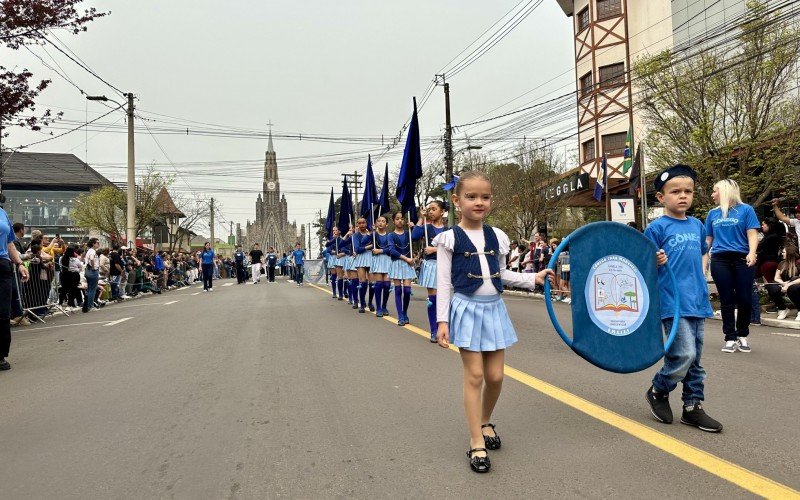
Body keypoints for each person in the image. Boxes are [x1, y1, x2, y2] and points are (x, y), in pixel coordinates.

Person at [433, 171, 553, 473]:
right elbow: (444, 281)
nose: (479, 202)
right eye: (471, 197)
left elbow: (502, 275)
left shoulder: (497, 236)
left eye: (484, 197)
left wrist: (532, 278)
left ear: (491, 201)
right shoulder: (448, 239)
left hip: (494, 309)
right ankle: (476, 441)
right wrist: (442, 320)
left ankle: (485, 421)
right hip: (466, 308)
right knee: (475, 376)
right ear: (456, 201)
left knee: (496, 377)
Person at [644, 164, 723, 433]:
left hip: (697, 300)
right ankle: (658, 388)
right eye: (675, 191)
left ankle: (692, 407)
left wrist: (702, 277)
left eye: (688, 191)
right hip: (671, 302)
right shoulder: (656, 229)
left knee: (696, 360)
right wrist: (653, 261)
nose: (683, 196)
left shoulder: (697, 225)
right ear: (661, 197)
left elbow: (702, 254)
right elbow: (642, 266)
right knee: (684, 353)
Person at [705, 179, 760, 353]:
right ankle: (730, 337)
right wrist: (702, 264)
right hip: (720, 259)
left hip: (742, 258)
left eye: (715, 191)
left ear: (725, 191)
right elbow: (707, 241)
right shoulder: (712, 214)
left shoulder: (746, 210)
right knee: (726, 299)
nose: (712, 194)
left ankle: (742, 335)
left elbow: (752, 234)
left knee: (744, 298)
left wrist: (752, 253)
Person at [412, 200, 448, 342]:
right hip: (431, 265)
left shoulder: (448, 230)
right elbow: (414, 236)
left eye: (434, 209)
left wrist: (435, 249)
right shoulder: (426, 228)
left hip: (446, 266)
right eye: (429, 209)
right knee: (433, 299)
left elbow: (454, 247)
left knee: (443, 299)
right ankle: (434, 330)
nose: (431, 211)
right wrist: (421, 218)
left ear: (442, 212)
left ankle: (443, 327)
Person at [1, 207, 30, 370]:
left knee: (2, 314)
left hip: (2, 265)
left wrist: (19, 264)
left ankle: (0, 356)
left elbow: (9, 242)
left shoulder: (2, 213)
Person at [387, 212, 416, 326]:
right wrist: (406, 258)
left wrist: (414, 227)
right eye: (397, 218)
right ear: (394, 221)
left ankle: (405, 312)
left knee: (407, 291)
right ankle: (400, 316)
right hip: (397, 262)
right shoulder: (390, 235)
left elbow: (419, 238)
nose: (400, 220)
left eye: (402, 218)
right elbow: (392, 251)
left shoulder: (409, 233)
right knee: (398, 290)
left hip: (408, 264)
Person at [765, 244, 800, 321]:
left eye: (784, 252)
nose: (782, 253)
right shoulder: (782, 263)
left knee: (793, 288)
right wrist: (782, 283)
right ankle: (783, 309)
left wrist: (788, 284)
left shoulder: (798, 263)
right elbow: (776, 278)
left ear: (789, 253)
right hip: (784, 284)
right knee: (771, 286)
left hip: (795, 285)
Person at [370, 215, 392, 317]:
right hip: (378, 260)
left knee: (387, 285)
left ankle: (384, 306)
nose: (381, 223)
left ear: (386, 224)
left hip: (387, 260)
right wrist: (372, 232)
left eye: (383, 221)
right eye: (379, 221)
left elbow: (391, 249)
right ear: (376, 223)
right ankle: (378, 307)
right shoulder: (374, 235)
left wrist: (380, 250)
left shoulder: (390, 235)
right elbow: (364, 242)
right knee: (378, 285)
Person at [352, 217, 373, 312]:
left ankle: (370, 302)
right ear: (357, 224)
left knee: (372, 283)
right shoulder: (355, 235)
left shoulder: (372, 234)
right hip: (360, 259)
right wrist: (369, 246)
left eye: (363, 223)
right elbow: (357, 249)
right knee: (362, 282)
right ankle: (362, 303)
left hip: (371, 258)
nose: (361, 225)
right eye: (359, 223)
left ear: (366, 223)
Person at [82, 238, 100, 313]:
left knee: (89, 290)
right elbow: (92, 259)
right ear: (93, 244)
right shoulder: (92, 251)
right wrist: (93, 266)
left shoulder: (89, 251)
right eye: (97, 243)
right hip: (92, 271)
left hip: (88, 271)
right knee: (92, 289)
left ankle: (87, 306)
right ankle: (90, 306)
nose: (98, 244)